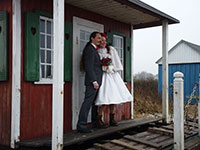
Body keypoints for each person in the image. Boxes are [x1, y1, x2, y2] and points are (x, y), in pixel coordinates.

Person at [95, 33, 133, 127]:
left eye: (104, 40)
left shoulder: (111, 49)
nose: (103, 42)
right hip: (103, 76)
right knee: (105, 98)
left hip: (112, 75)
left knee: (114, 98)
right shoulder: (97, 51)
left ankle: (112, 118)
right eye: (101, 40)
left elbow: (116, 61)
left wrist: (112, 68)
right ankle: (99, 119)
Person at [77, 32, 103, 133]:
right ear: (92, 38)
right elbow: (89, 67)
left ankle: (94, 123)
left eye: (101, 38)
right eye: (98, 38)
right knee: (87, 103)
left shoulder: (94, 50)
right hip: (93, 82)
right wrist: (94, 81)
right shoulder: (90, 50)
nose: (100, 40)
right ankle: (81, 125)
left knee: (94, 103)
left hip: (96, 81)